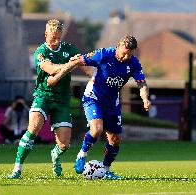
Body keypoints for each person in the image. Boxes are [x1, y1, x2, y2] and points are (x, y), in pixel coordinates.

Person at [47, 35, 151, 180]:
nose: (125, 56)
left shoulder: (133, 63)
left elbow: (142, 83)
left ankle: (107, 170)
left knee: (115, 140)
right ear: (119, 46)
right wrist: (56, 77)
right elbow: (76, 62)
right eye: (124, 53)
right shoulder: (104, 54)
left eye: (129, 54)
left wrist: (145, 98)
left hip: (112, 103)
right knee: (96, 129)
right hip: (93, 97)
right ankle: (81, 155)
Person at [8, 19, 81, 178]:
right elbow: (51, 69)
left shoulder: (69, 49)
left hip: (62, 100)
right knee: (33, 127)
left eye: (59, 38)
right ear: (46, 34)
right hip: (43, 95)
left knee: (64, 144)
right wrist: (69, 65)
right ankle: (17, 169)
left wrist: (92, 75)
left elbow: (85, 64)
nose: (56, 42)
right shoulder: (40, 52)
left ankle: (55, 155)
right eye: (53, 37)